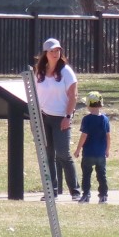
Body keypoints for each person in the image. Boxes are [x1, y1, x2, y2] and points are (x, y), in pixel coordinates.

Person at [33, 38, 80, 200]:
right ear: (45, 53)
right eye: (52, 51)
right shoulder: (39, 72)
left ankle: (75, 190)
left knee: (63, 153)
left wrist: (68, 116)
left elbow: (73, 96)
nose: (55, 54)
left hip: (61, 118)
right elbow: (34, 95)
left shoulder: (66, 71)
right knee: (48, 155)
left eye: (58, 50)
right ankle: (51, 191)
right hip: (44, 117)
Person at [74, 92, 111, 204]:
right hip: (100, 153)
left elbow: (84, 135)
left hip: (88, 153)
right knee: (102, 175)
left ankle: (86, 195)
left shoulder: (87, 119)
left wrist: (78, 149)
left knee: (86, 175)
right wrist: (107, 149)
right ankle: (103, 195)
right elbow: (108, 136)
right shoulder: (105, 119)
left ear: (89, 105)